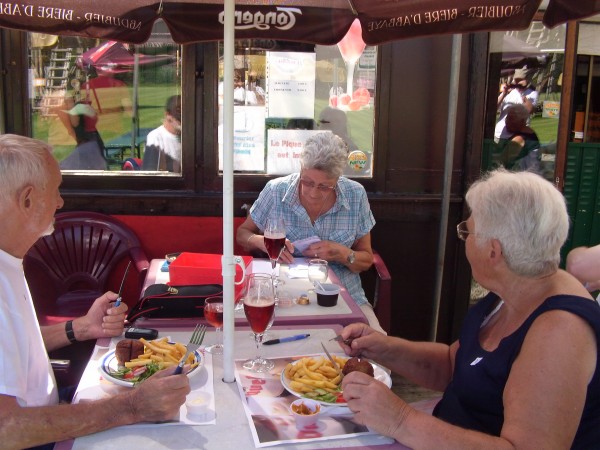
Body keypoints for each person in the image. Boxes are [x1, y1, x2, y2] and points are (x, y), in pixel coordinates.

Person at [337, 169, 600, 449]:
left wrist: (401, 420)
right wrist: (382, 348)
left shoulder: (560, 332)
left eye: (467, 232)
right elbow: (456, 365)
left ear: (493, 252)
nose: (464, 239)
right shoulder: (517, 286)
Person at [0, 134, 190, 449]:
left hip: (52, 409)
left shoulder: (9, 259)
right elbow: (6, 427)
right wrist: (131, 407)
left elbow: (15, 349)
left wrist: (82, 328)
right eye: (56, 190)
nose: (61, 202)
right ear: (28, 199)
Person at [236, 132, 386, 333]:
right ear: (300, 168)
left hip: (343, 296)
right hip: (284, 295)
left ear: (338, 178)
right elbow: (242, 234)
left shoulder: (355, 194)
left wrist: (341, 253)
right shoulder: (276, 190)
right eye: (307, 182)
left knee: (375, 347)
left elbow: (366, 260)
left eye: (324, 186)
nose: (313, 193)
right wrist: (261, 241)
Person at [56, 96, 107, 170]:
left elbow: (74, 123)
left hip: (89, 142)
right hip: (92, 139)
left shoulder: (79, 108)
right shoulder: (82, 108)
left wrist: (70, 105)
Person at [493, 104, 541, 173]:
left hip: (523, 178)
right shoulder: (530, 132)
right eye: (507, 118)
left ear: (522, 121)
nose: (507, 122)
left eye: (511, 119)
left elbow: (501, 161)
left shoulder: (519, 139)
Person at [495, 67, 539, 141]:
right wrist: (504, 94)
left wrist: (521, 94)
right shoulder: (509, 92)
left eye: (521, 80)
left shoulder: (533, 93)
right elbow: (493, 108)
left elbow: (529, 110)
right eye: (516, 80)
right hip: (500, 134)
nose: (518, 82)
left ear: (527, 79)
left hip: (517, 136)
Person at [142, 95, 182, 171]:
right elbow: (150, 172)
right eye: (179, 118)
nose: (182, 121)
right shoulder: (155, 137)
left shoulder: (187, 136)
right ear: (167, 115)